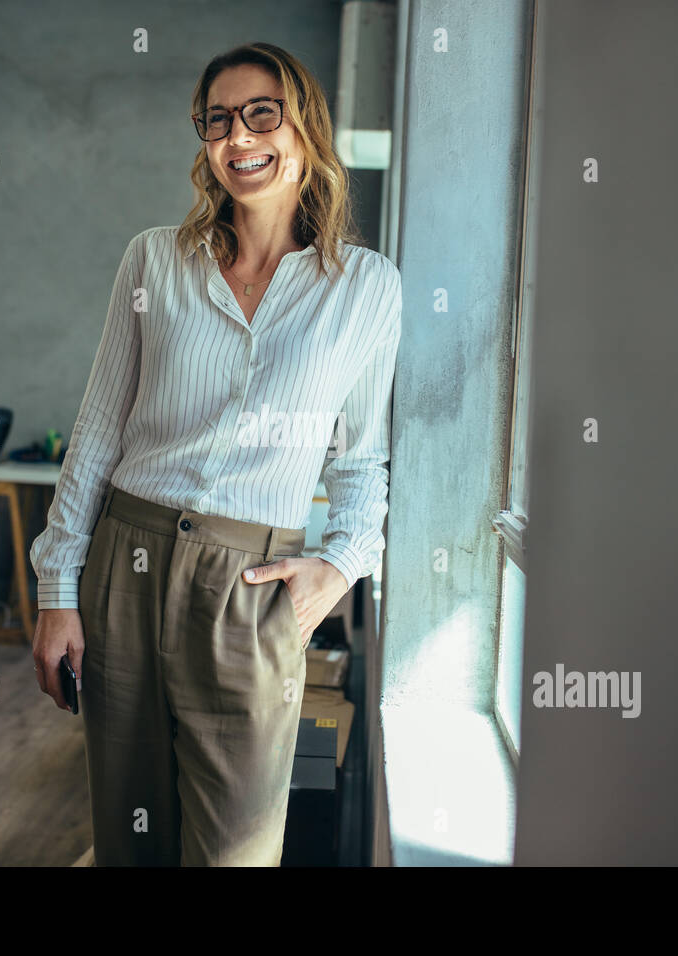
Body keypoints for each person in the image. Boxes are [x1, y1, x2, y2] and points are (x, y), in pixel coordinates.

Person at [29, 41, 402, 866]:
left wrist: (341, 565)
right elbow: (97, 429)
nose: (239, 138)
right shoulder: (154, 259)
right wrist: (59, 590)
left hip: (250, 588)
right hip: (124, 564)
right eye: (217, 121)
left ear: (304, 127)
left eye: (261, 114)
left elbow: (360, 460)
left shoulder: (367, 287)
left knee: (237, 849)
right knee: (130, 839)